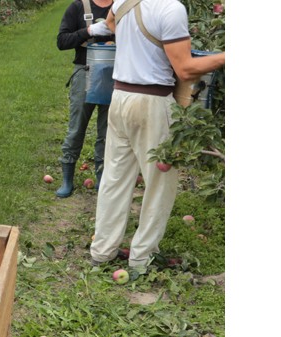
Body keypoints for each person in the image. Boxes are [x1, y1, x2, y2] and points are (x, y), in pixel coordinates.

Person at [88, 0, 224, 280]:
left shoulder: (125, 1)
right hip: (151, 102)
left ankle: (102, 250)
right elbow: (185, 69)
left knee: (115, 177)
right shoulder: (170, 8)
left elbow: (111, 24)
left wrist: (136, 50)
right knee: (159, 184)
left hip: (120, 97)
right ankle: (142, 258)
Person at [55, 0, 114, 198]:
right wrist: (88, 31)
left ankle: (102, 177)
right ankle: (67, 179)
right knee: (76, 127)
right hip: (85, 71)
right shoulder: (78, 7)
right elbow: (62, 41)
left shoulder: (123, 7)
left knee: (108, 130)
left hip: (116, 74)